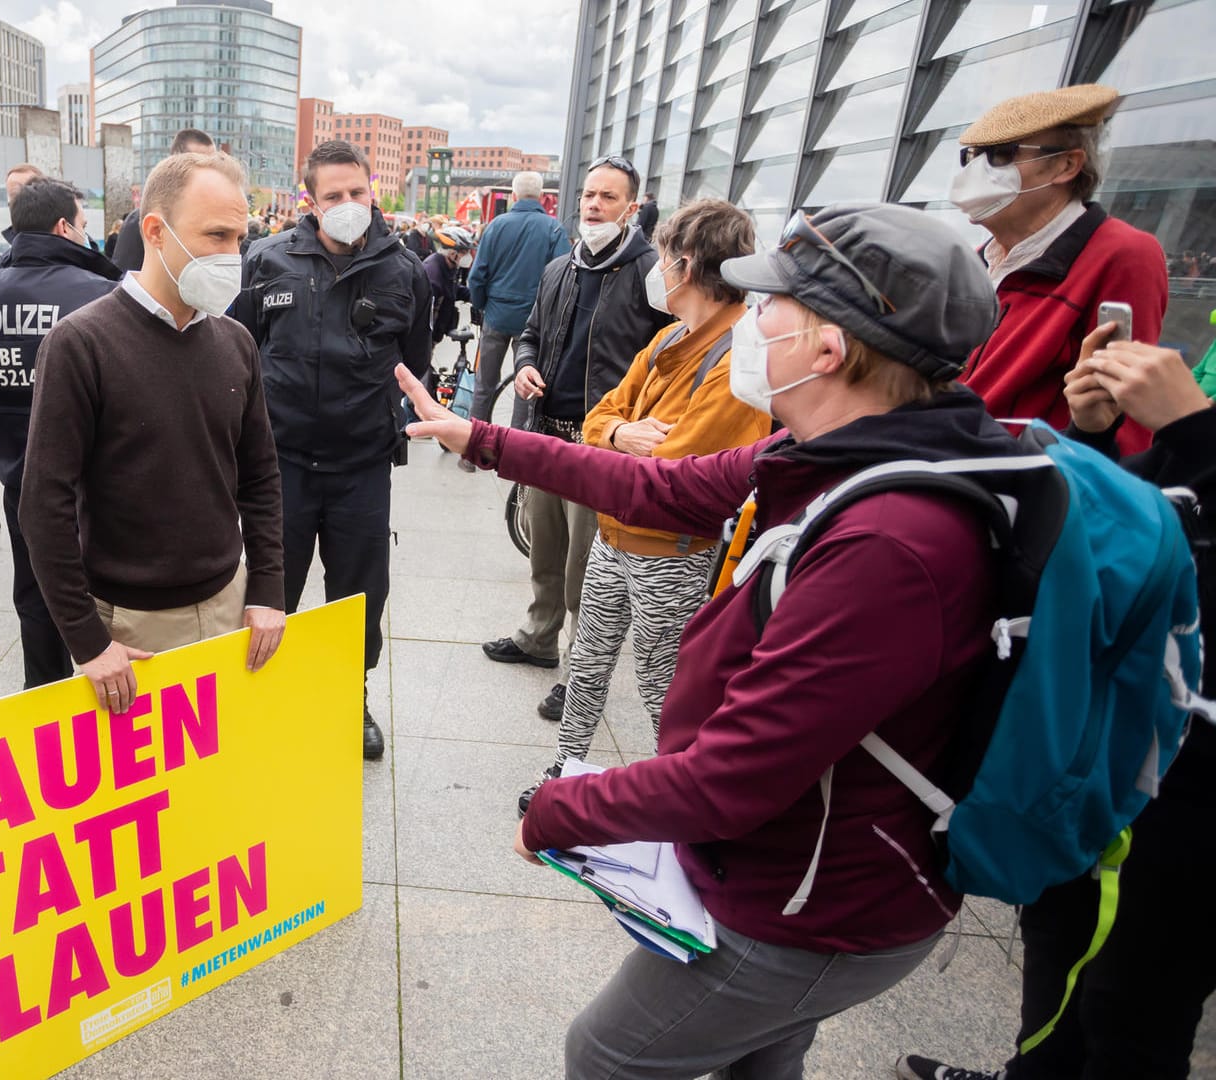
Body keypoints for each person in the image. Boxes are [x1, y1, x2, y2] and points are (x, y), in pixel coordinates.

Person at [402, 200, 1016, 1078]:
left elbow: (733, 777)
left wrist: (558, 811)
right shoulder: (841, 453)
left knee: (609, 1053)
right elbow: (658, 489)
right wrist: (485, 440)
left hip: (818, 903)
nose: (752, 319)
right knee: (760, 1060)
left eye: (772, 306)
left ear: (828, 348)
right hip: (802, 870)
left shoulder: (891, 541)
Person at [897, 328, 1216, 1080]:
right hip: (1111, 748)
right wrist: (1096, 436)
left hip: (1190, 795)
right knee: (1058, 948)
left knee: (1133, 1008)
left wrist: (1196, 432)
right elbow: (1143, 522)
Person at [520, 198, 770, 814]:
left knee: (666, 685)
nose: (656, 270)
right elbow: (605, 413)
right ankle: (567, 766)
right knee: (588, 660)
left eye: (662, 258)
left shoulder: (738, 357)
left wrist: (616, 436)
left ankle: (677, 792)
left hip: (675, 549)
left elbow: (680, 466)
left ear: (684, 265)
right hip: (617, 534)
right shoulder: (668, 338)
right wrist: (620, 434)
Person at [22, 151, 286, 715]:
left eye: (240, 237)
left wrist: (266, 588)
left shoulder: (235, 342)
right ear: (155, 232)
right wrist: (87, 641)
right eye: (215, 235)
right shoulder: (80, 344)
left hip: (228, 604)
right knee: (146, 800)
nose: (231, 256)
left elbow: (260, 475)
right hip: (131, 629)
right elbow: (44, 503)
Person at [235, 139, 432, 760]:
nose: (348, 205)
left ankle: (352, 696)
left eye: (357, 193)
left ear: (373, 191)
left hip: (362, 466)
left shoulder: (406, 272)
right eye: (333, 196)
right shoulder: (267, 261)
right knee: (272, 590)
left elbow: (416, 365)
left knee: (359, 594)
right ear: (310, 201)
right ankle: (261, 698)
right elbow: (238, 351)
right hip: (281, 464)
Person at [481, 155, 668, 726]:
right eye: (588, 195)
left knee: (587, 568)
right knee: (546, 549)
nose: (594, 206)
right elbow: (532, 333)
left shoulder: (650, 275)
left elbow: (667, 359)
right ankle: (538, 638)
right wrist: (526, 364)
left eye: (608, 198)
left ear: (631, 208)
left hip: (602, 447)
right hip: (548, 436)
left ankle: (580, 671)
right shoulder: (559, 268)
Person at [0, 177, 121, 688]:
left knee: (35, 590)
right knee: (103, 594)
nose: (86, 235)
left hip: (19, 470)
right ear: (62, 226)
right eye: (83, 225)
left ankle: (43, 692)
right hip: (95, 479)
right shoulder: (103, 296)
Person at [953, 83, 1167, 456]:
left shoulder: (1122, 254)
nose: (978, 170)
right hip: (940, 470)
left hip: (1020, 490)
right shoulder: (976, 261)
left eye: (1001, 155)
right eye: (971, 156)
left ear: (1067, 165)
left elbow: (1125, 415)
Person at [465, 169, 570, 428]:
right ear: (542, 196)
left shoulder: (496, 226)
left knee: (484, 384)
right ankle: (513, 455)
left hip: (497, 316)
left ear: (513, 195)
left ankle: (472, 451)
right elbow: (564, 277)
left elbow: (477, 276)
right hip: (533, 322)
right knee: (526, 386)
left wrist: (481, 306)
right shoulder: (554, 229)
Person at [110, 128, 215, 272]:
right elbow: (122, 278)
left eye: (213, 164)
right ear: (175, 162)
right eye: (200, 163)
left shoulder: (215, 217)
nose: (211, 172)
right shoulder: (140, 220)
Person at [426, 224, 475, 343]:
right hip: (424, 338)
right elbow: (424, 315)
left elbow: (454, 289)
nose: (468, 256)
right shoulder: (434, 275)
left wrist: (476, 297)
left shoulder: (448, 267)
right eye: (464, 252)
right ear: (452, 253)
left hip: (435, 334)